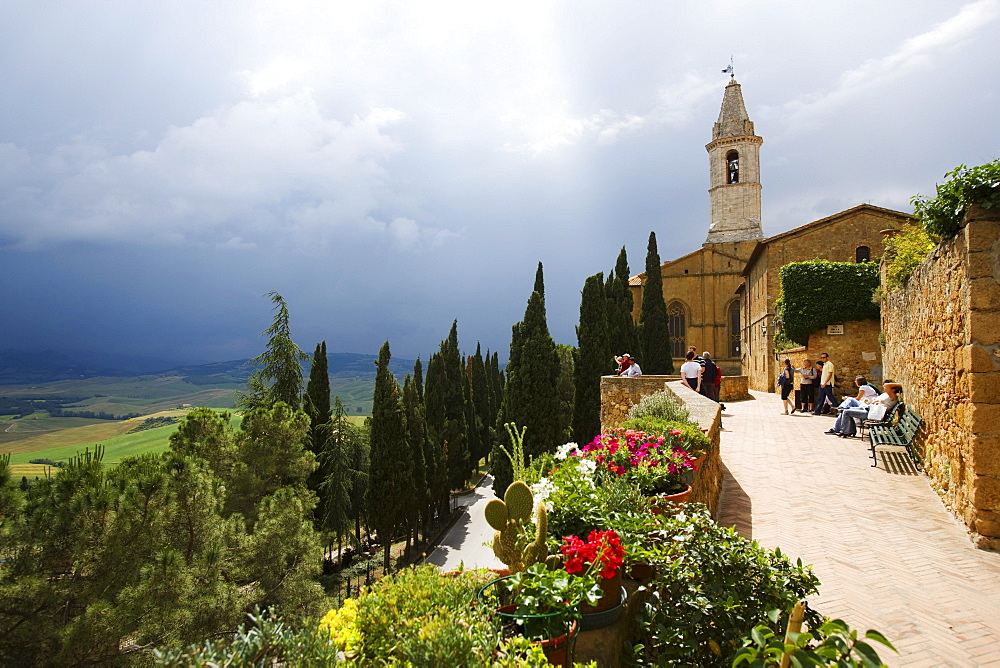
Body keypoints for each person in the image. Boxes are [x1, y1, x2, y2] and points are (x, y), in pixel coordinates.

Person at [826, 380, 901, 437]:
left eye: (886, 387)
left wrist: (895, 384)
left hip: (873, 414)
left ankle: (845, 431)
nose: (884, 388)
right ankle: (847, 430)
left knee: (846, 412)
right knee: (845, 410)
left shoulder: (892, 397)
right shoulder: (886, 395)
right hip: (870, 409)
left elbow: (894, 386)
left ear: (893, 390)